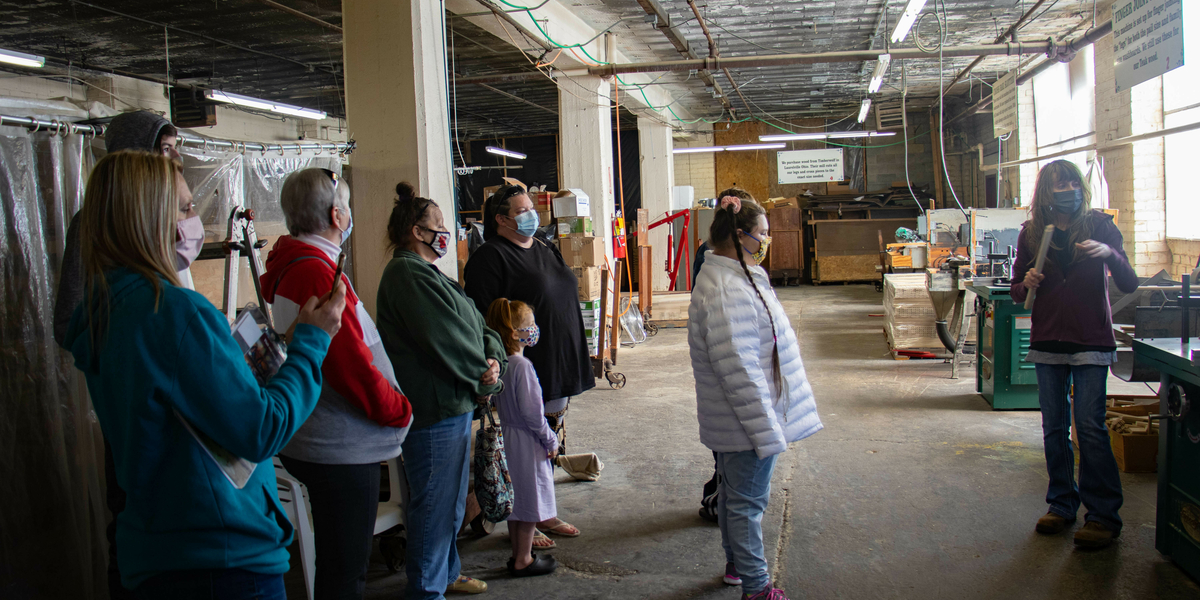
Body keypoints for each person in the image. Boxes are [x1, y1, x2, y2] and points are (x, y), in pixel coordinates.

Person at [65, 150, 346, 599]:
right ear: (151, 218)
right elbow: (260, 429)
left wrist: (286, 345)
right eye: (187, 208)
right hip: (219, 557)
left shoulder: (106, 312)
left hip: (157, 548)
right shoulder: (174, 313)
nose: (194, 219)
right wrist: (313, 344)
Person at [51, 111, 190, 600]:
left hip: (176, 400)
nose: (176, 161)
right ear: (133, 156)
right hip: (134, 397)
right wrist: (129, 352)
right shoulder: (92, 224)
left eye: (176, 150)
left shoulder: (164, 223)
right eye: (166, 150)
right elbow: (68, 315)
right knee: (133, 508)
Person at [259, 168, 413, 599]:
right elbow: (349, 367)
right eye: (346, 207)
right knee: (344, 572)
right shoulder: (316, 274)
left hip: (322, 435)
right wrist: (399, 408)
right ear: (336, 214)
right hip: (340, 446)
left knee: (339, 564)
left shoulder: (302, 265)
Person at [688, 191, 822, 600]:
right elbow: (740, 373)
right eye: (763, 233)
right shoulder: (728, 291)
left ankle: (737, 566)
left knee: (733, 496)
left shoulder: (737, 276)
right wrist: (766, 432)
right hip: (747, 421)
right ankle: (757, 587)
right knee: (746, 504)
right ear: (740, 235)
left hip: (742, 420)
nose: (768, 241)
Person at [376, 182, 507, 599]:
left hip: (453, 405)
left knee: (449, 504)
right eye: (439, 225)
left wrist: (493, 358)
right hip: (432, 413)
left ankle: (447, 573)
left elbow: (479, 326)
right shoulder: (405, 275)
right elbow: (446, 338)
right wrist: (482, 373)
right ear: (417, 231)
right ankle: (427, 590)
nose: (446, 232)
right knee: (433, 508)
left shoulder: (431, 274)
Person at [1009, 160, 1138, 549]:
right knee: (1053, 429)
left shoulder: (1099, 226)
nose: (1066, 188)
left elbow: (1130, 281)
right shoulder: (1032, 234)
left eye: (1071, 182)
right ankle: (1062, 505)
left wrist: (1109, 254)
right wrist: (1026, 282)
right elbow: (1017, 289)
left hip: (1090, 340)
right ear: (1045, 192)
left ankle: (1102, 516)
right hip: (1049, 341)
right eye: (1057, 184)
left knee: (1090, 428)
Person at [463, 184, 591, 547]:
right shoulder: (490, 257)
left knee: (548, 441)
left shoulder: (544, 246)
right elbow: (482, 317)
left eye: (530, 207)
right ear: (501, 219)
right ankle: (524, 522)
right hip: (525, 368)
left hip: (560, 360)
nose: (531, 214)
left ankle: (543, 512)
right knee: (525, 448)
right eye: (522, 210)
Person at [484, 298, 560, 578]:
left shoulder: (503, 363)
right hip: (527, 440)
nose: (535, 329)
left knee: (516, 502)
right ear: (516, 333)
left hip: (508, 437)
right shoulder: (523, 367)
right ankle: (524, 559)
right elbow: (532, 413)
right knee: (530, 500)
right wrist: (550, 439)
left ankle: (517, 553)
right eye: (530, 326)